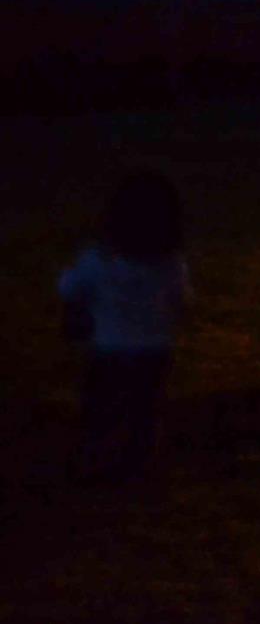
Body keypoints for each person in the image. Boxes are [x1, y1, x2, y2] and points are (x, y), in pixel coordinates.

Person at [59, 170, 191, 482]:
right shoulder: (170, 263)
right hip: (154, 349)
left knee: (102, 408)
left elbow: (68, 288)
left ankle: (98, 459)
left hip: (108, 348)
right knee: (145, 410)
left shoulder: (98, 260)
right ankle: (138, 463)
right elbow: (181, 300)